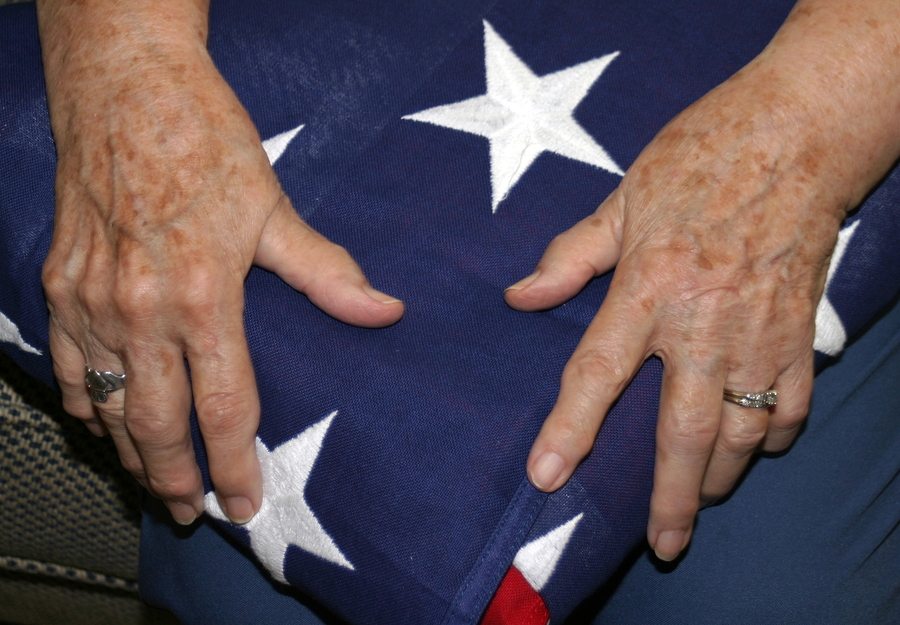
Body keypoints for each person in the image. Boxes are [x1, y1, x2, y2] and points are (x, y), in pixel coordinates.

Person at [33, 0, 898, 618]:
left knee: (757, 591)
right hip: (326, 66)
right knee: (293, 552)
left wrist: (799, 138)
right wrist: (128, 74)